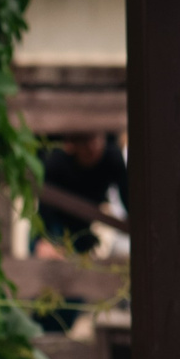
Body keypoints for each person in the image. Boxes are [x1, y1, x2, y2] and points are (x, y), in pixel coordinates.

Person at [31, 130, 127, 332]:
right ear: (72, 144)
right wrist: (45, 240)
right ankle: (40, 331)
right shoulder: (57, 161)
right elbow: (45, 205)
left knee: (76, 287)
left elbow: (128, 198)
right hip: (53, 226)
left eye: (96, 139)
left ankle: (57, 332)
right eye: (86, 141)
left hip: (81, 232)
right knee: (45, 284)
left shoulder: (112, 159)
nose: (92, 147)